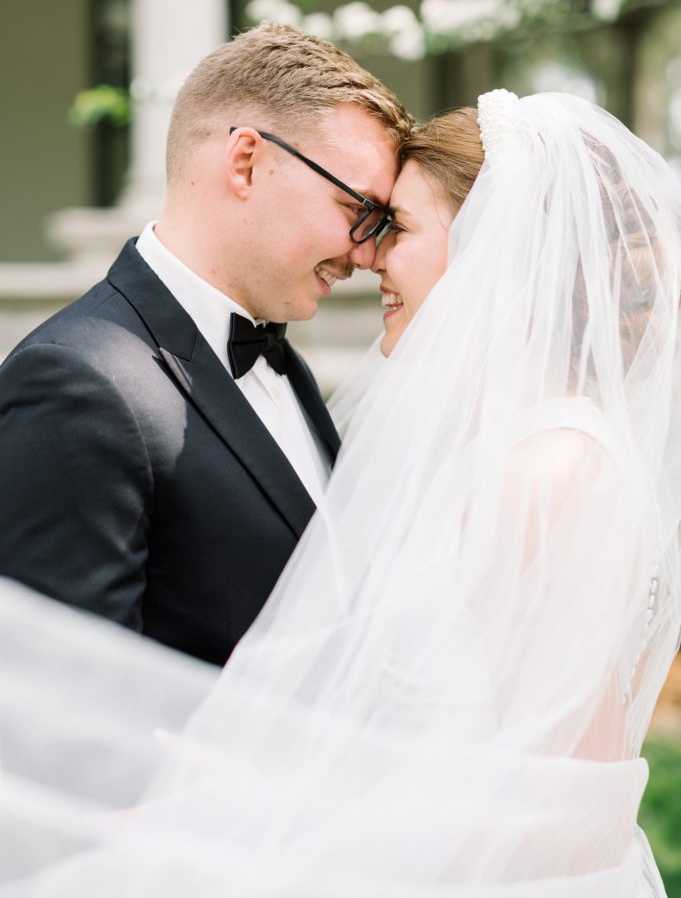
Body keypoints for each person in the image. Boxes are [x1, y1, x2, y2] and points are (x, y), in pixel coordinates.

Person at [1, 89, 680, 896]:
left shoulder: (552, 472)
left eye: (394, 225)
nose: (369, 256)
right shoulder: (500, 452)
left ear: (495, 248)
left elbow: (560, 806)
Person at [0, 24, 411, 665]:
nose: (365, 252)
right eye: (358, 209)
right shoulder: (78, 381)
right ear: (245, 161)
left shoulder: (281, 360)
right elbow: (66, 704)